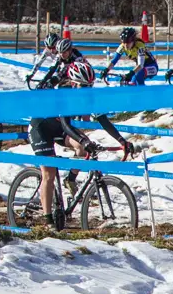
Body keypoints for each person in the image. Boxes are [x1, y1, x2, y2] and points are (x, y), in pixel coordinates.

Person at [27, 60, 132, 225]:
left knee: (84, 150)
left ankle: (70, 179)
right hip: (41, 128)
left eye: (90, 86)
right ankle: (48, 222)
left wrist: (122, 140)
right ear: (73, 83)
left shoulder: (86, 95)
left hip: (59, 128)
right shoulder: (64, 94)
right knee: (49, 173)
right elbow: (66, 125)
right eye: (83, 86)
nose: (87, 90)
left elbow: (103, 119)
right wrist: (82, 139)